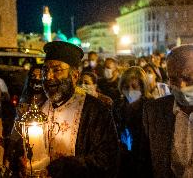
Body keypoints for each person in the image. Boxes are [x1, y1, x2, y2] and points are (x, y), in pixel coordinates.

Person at [41, 41, 118, 177]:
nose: (48, 77)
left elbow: (106, 158)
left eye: (56, 70)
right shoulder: (41, 106)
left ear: (74, 76)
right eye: (45, 70)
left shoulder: (96, 111)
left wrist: (66, 165)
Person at [142, 44, 193, 177]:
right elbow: (144, 161)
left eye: (188, 79)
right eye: (173, 79)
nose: (181, 86)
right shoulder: (154, 111)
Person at [112, 66, 153, 178]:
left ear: (142, 87)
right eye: (126, 87)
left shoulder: (150, 107)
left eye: (134, 87)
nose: (130, 90)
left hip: (144, 161)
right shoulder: (117, 106)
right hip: (122, 160)